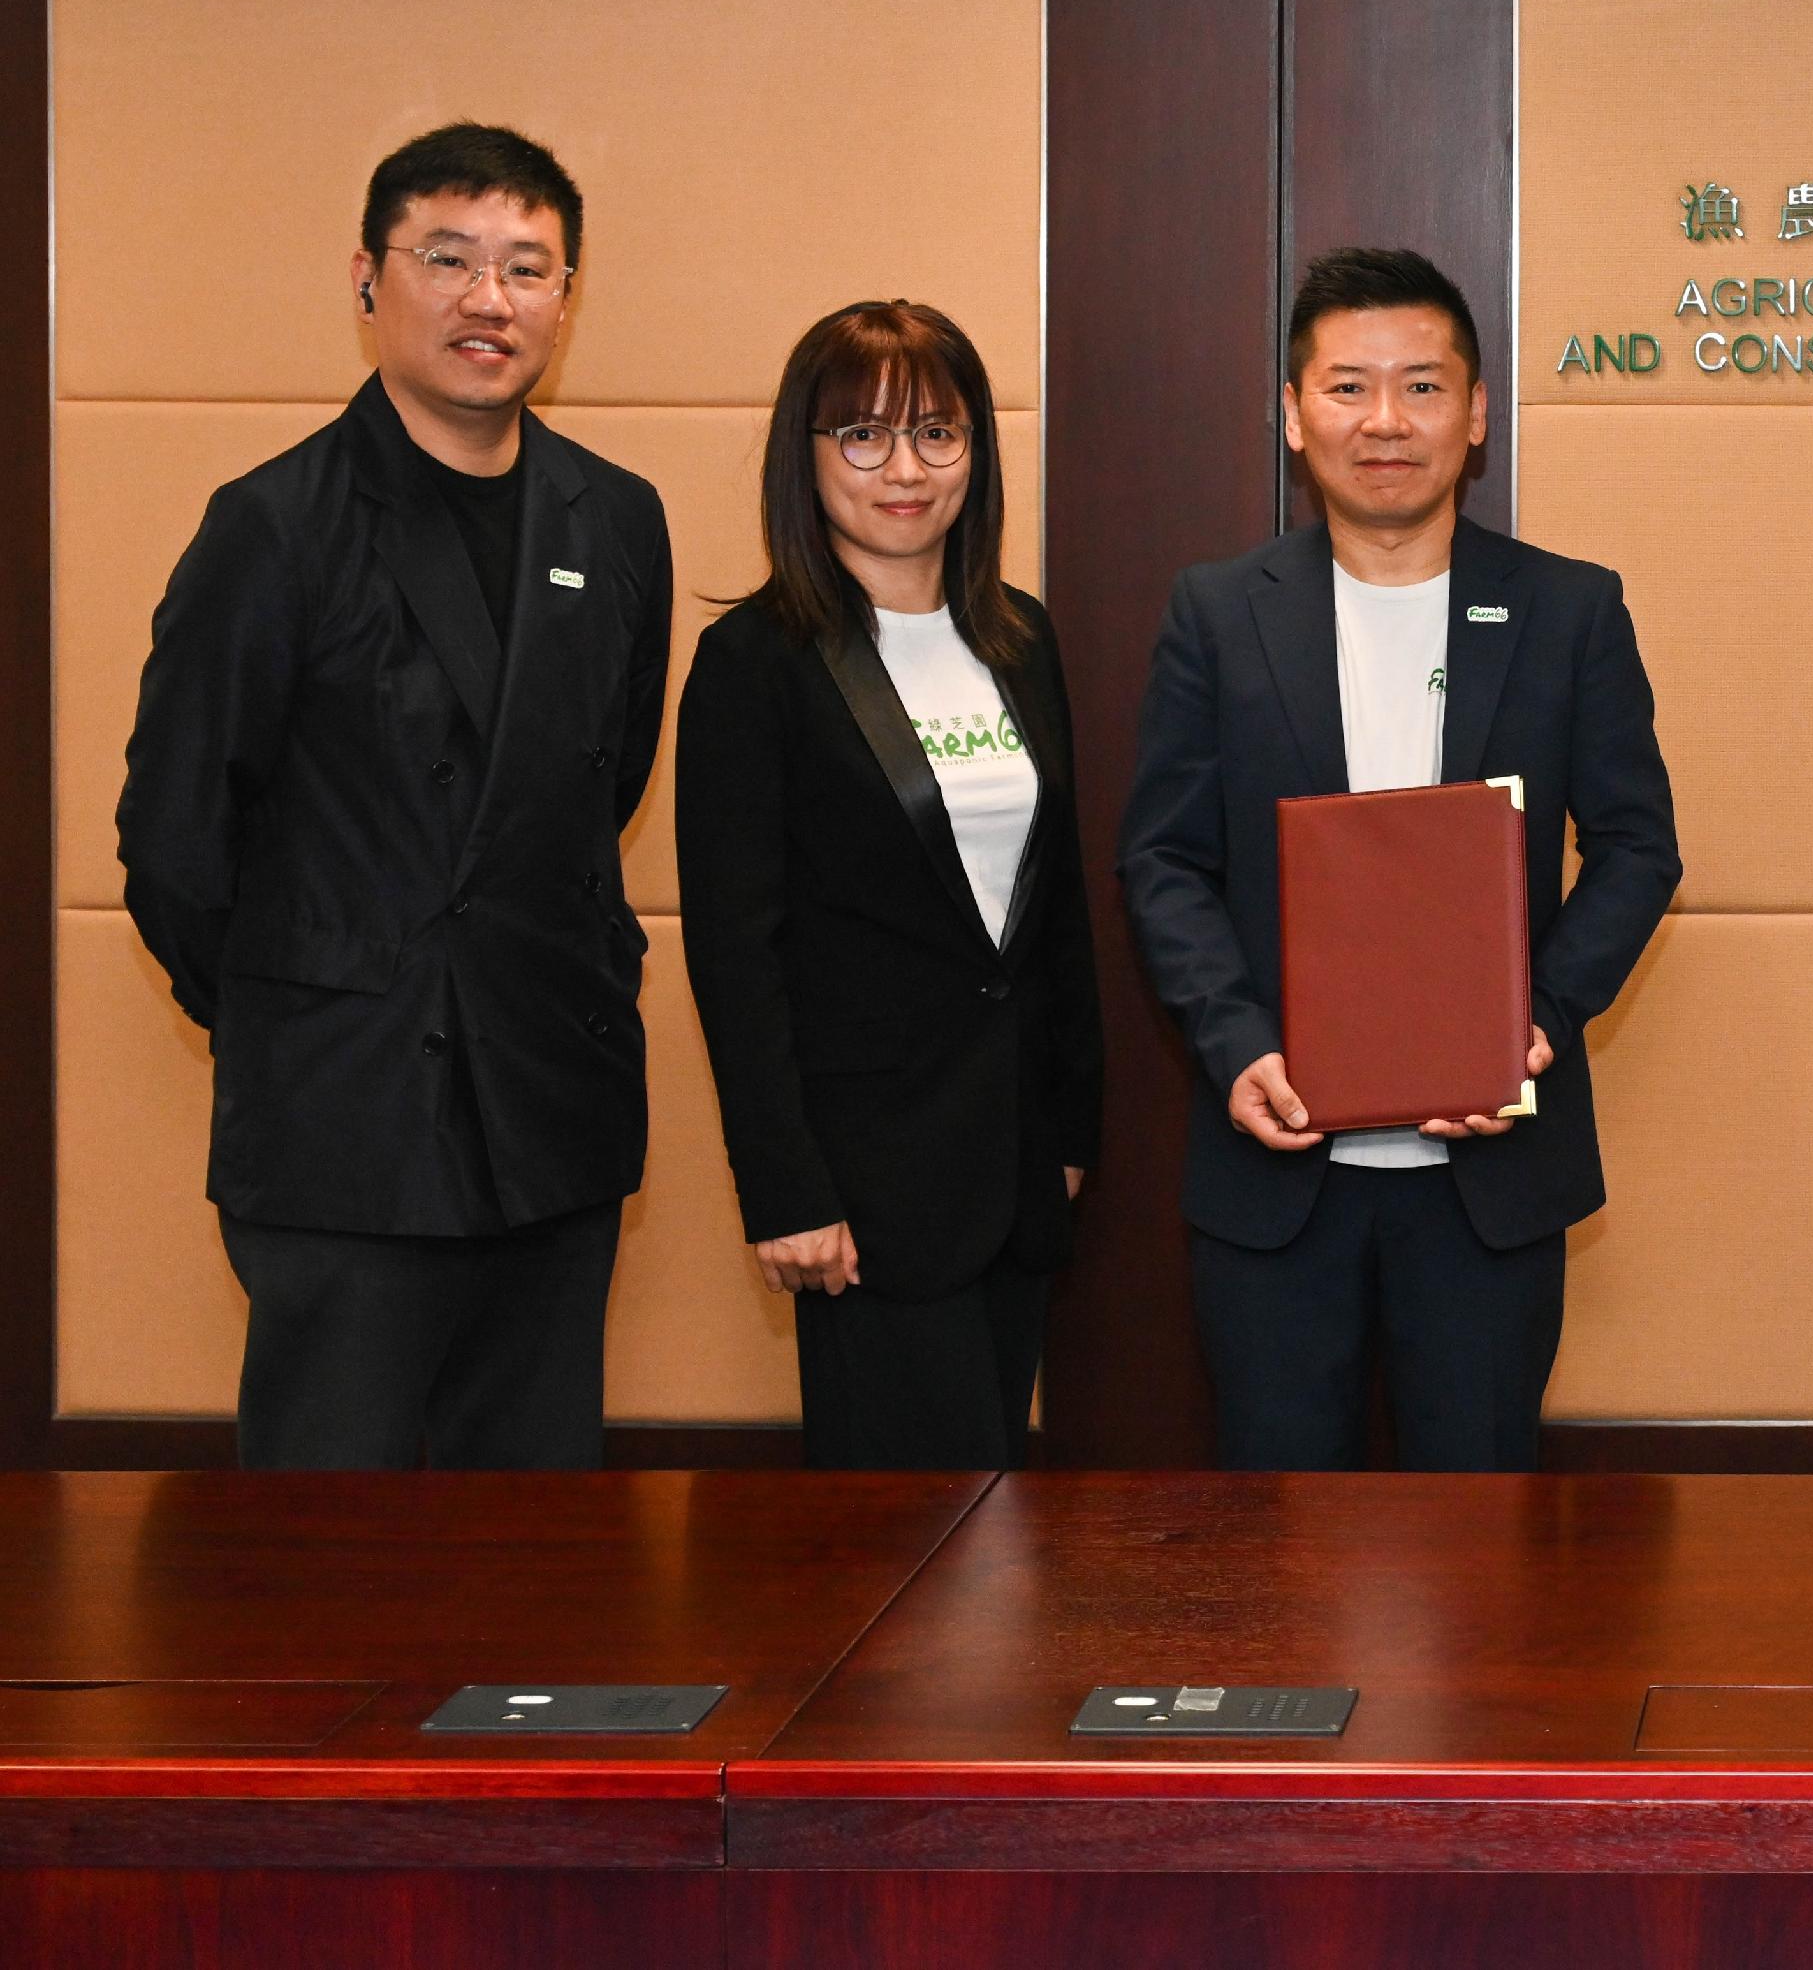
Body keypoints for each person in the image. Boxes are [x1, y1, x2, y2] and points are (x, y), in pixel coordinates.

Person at [114, 124, 670, 1469]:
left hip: (548, 1110)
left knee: (532, 1571)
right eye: (450, 257)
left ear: (567, 298)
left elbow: (599, 787)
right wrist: (309, 1000)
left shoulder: (618, 517)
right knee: (335, 1574)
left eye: (529, 268)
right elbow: (177, 844)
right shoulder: (275, 524)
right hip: (344, 1128)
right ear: (369, 278)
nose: (491, 299)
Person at [1120, 247, 1679, 1470]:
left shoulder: (1568, 609)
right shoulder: (1218, 612)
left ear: (1476, 416)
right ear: (1291, 412)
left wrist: (1537, 1015)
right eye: (1348, 387)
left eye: (1423, 387)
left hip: (1488, 1186)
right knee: (1278, 1542)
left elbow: (1638, 847)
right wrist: (1235, 1044)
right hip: (1278, 1176)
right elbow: (1162, 859)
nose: (1385, 421)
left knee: (1479, 1543)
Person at [676, 302, 1101, 1470]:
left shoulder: (1019, 639)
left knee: (994, 1531)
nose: (905, 469)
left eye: (937, 432)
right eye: (862, 437)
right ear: (803, 458)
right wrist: (783, 1187)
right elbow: (733, 950)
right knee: (908, 1561)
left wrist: (1071, 1124)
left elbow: (1051, 908)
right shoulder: (753, 663)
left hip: (1012, 1171)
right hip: (860, 1190)